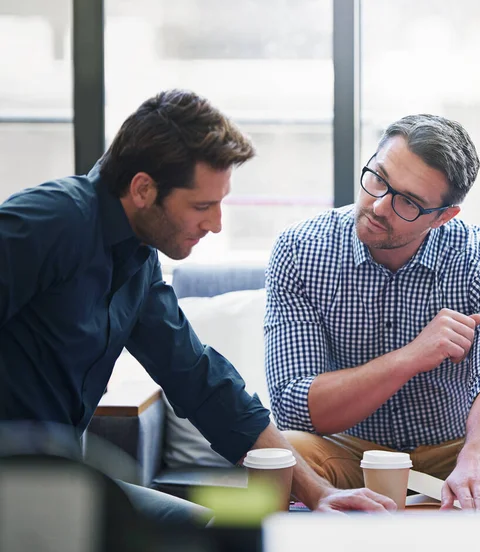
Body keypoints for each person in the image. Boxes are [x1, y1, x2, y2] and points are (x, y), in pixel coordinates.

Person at [0, 89, 396, 525]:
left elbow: (199, 379)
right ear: (143, 189)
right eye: (202, 206)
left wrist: (320, 493)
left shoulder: (136, 256)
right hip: (21, 486)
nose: (216, 223)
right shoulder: (51, 221)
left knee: (217, 537)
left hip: (59, 485)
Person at [265, 114, 480, 511]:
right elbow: (293, 404)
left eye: (407, 202)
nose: (378, 205)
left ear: (443, 216)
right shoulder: (300, 249)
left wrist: (478, 459)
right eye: (377, 177)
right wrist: (411, 357)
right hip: (346, 451)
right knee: (281, 460)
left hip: (456, 447)